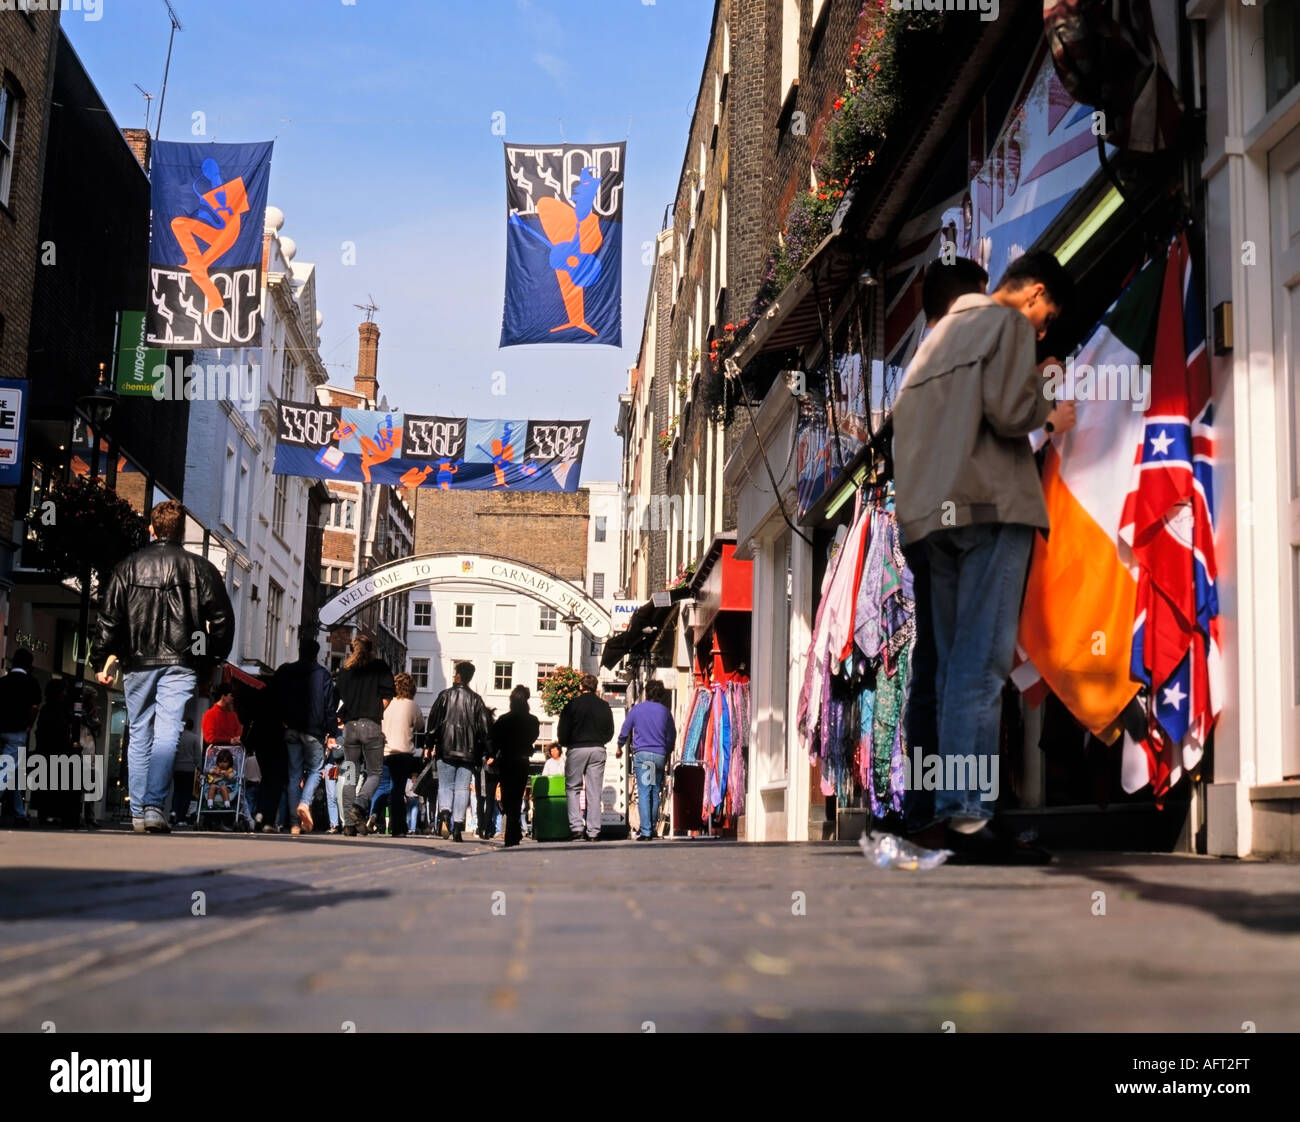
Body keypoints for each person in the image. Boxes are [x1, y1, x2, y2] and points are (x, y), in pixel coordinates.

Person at [892, 250, 1074, 863]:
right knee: (981, 666)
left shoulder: (929, 345)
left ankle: (950, 814)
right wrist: (1050, 400)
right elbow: (1009, 411)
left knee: (948, 671)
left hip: (929, 520)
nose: (1041, 330)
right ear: (1033, 295)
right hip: (990, 509)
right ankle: (969, 818)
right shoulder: (1004, 324)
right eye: (1045, 317)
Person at [92, 500, 234, 834]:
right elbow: (222, 619)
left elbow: (108, 618)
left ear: (151, 529)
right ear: (182, 532)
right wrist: (210, 656)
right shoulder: (200, 569)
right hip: (181, 662)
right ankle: (155, 806)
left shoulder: (128, 567)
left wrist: (101, 659)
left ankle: (140, 811)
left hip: (137, 661)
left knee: (139, 732)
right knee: (169, 730)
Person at [272, 638, 339, 835]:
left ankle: (294, 823)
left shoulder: (287, 671)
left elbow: (278, 696)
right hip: (313, 731)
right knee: (316, 770)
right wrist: (332, 732)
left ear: (299, 651)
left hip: (291, 729)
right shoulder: (323, 675)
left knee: (293, 775)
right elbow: (329, 706)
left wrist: (283, 718)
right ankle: (304, 803)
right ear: (316, 654)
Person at [424, 660, 492, 842]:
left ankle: (445, 812)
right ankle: (457, 826)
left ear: (458, 675)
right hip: (469, 752)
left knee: (445, 784)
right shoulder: (476, 700)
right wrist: (489, 751)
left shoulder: (445, 696)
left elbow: (433, 723)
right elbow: (485, 729)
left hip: (445, 749)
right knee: (462, 788)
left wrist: (428, 745)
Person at [335, 635, 395, 837]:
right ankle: (360, 805)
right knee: (375, 773)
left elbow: (339, 697)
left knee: (349, 774)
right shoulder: (380, 667)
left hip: (350, 727)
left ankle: (348, 825)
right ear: (372, 649)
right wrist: (377, 710)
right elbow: (388, 695)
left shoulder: (345, 670)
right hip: (371, 726)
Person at [618, 680, 676, 841]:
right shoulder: (665, 711)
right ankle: (652, 828)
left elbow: (625, 729)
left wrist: (619, 745)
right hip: (658, 756)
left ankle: (646, 831)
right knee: (655, 791)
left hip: (643, 756)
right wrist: (667, 750)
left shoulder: (637, 710)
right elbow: (671, 734)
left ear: (646, 692)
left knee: (644, 792)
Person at [558, 673, 614, 842]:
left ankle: (576, 827)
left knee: (573, 787)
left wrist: (566, 743)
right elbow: (609, 730)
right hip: (597, 748)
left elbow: (563, 730)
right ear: (596, 687)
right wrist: (600, 740)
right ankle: (593, 831)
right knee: (594, 790)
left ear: (581, 687)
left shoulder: (572, 705)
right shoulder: (604, 705)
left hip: (576, 747)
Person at [492, 685, 540, 848]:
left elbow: (494, 739)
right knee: (517, 797)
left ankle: (512, 832)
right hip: (521, 761)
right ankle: (514, 832)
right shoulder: (532, 721)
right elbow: (532, 738)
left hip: (506, 760)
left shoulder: (503, 720)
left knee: (507, 797)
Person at [0, 648, 42, 827]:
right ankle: (18, 813)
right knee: (7, 769)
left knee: (14, 773)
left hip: (1, 729)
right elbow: (34, 708)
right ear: (29, 665)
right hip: (18, 731)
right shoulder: (31, 683)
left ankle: (19, 813)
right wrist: (29, 726)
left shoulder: (2, 682)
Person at [380, 672, 423, 839]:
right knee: (398, 789)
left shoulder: (386, 704)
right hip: (404, 752)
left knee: (388, 788)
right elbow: (420, 725)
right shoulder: (412, 705)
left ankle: (391, 823)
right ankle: (398, 826)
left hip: (386, 751)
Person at [172, 718, 202, 826]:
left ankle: (173, 811)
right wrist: (199, 767)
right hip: (189, 769)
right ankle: (181, 818)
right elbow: (197, 755)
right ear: (192, 726)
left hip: (177, 768)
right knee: (186, 794)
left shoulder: (178, 737)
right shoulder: (194, 738)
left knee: (177, 792)